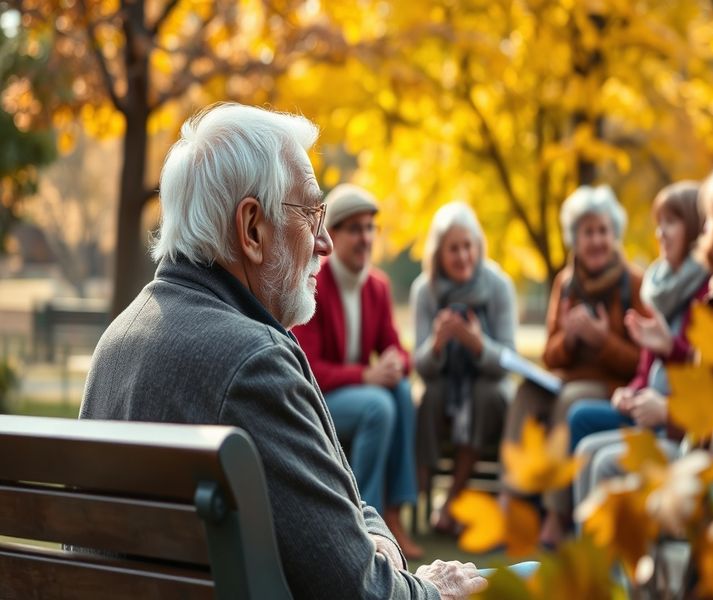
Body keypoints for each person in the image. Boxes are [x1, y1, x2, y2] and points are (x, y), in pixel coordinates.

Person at [80, 103, 487, 600]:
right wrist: (432, 589)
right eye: (312, 214)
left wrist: (376, 541)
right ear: (252, 229)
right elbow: (362, 591)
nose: (325, 244)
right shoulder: (253, 362)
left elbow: (343, 514)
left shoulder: (117, 340)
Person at [574, 158, 713, 507]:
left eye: (712, 221)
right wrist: (669, 350)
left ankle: (615, 562)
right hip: (706, 451)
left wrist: (668, 412)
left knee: (606, 465)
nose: (705, 233)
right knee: (592, 453)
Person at [500, 184, 647, 548]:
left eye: (602, 231)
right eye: (587, 232)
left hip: (612, 387)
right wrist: (570, 339)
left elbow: (641, 362)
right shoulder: (565, 283)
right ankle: (510, 500)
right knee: (527, 393)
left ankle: (555, 515)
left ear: (615, 235)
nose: (596, 240)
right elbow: (550, 354)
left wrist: (601, 341)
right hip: (565, 380)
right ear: (574, 238)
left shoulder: (633, 283)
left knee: (572, 399)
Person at [292, 183, 422, 559]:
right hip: (321, 399)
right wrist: (365, 377)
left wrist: (397, 363)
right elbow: (309, 369)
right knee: (378, 405)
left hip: (357, 392)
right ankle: (361, 524)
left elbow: (396, 347)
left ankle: (394, 514)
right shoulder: (315, 283)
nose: (365, 238)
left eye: (370, 228)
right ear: (332, 234)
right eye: (354, 229)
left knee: (398, 391)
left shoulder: (377, 287)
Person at [566, 181, 708, 508]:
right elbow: (644, 370)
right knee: (581, 426)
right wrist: (630, 391)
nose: (660, 233)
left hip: (673, 423)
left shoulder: (704, 293)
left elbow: (698, 371)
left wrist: (603, 341)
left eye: (670, 223)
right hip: (645, 409)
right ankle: (579, 543)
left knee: (594, 449)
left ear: (695, 229)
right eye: (659, 224)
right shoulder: (660, 288)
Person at [411, 201, 517, 535]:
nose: (462, 256)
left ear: (479, 246)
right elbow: (421, 367)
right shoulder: (424, 291)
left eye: (468, 246)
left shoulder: (498, 286)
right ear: (439, 254)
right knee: (430, 395)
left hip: (490, 389)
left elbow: (508, 361)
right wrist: (438, 343)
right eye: (453, 249)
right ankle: (421, 491)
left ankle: (453, 501)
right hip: (445, 389)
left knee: (484, 394)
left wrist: (478, 344)